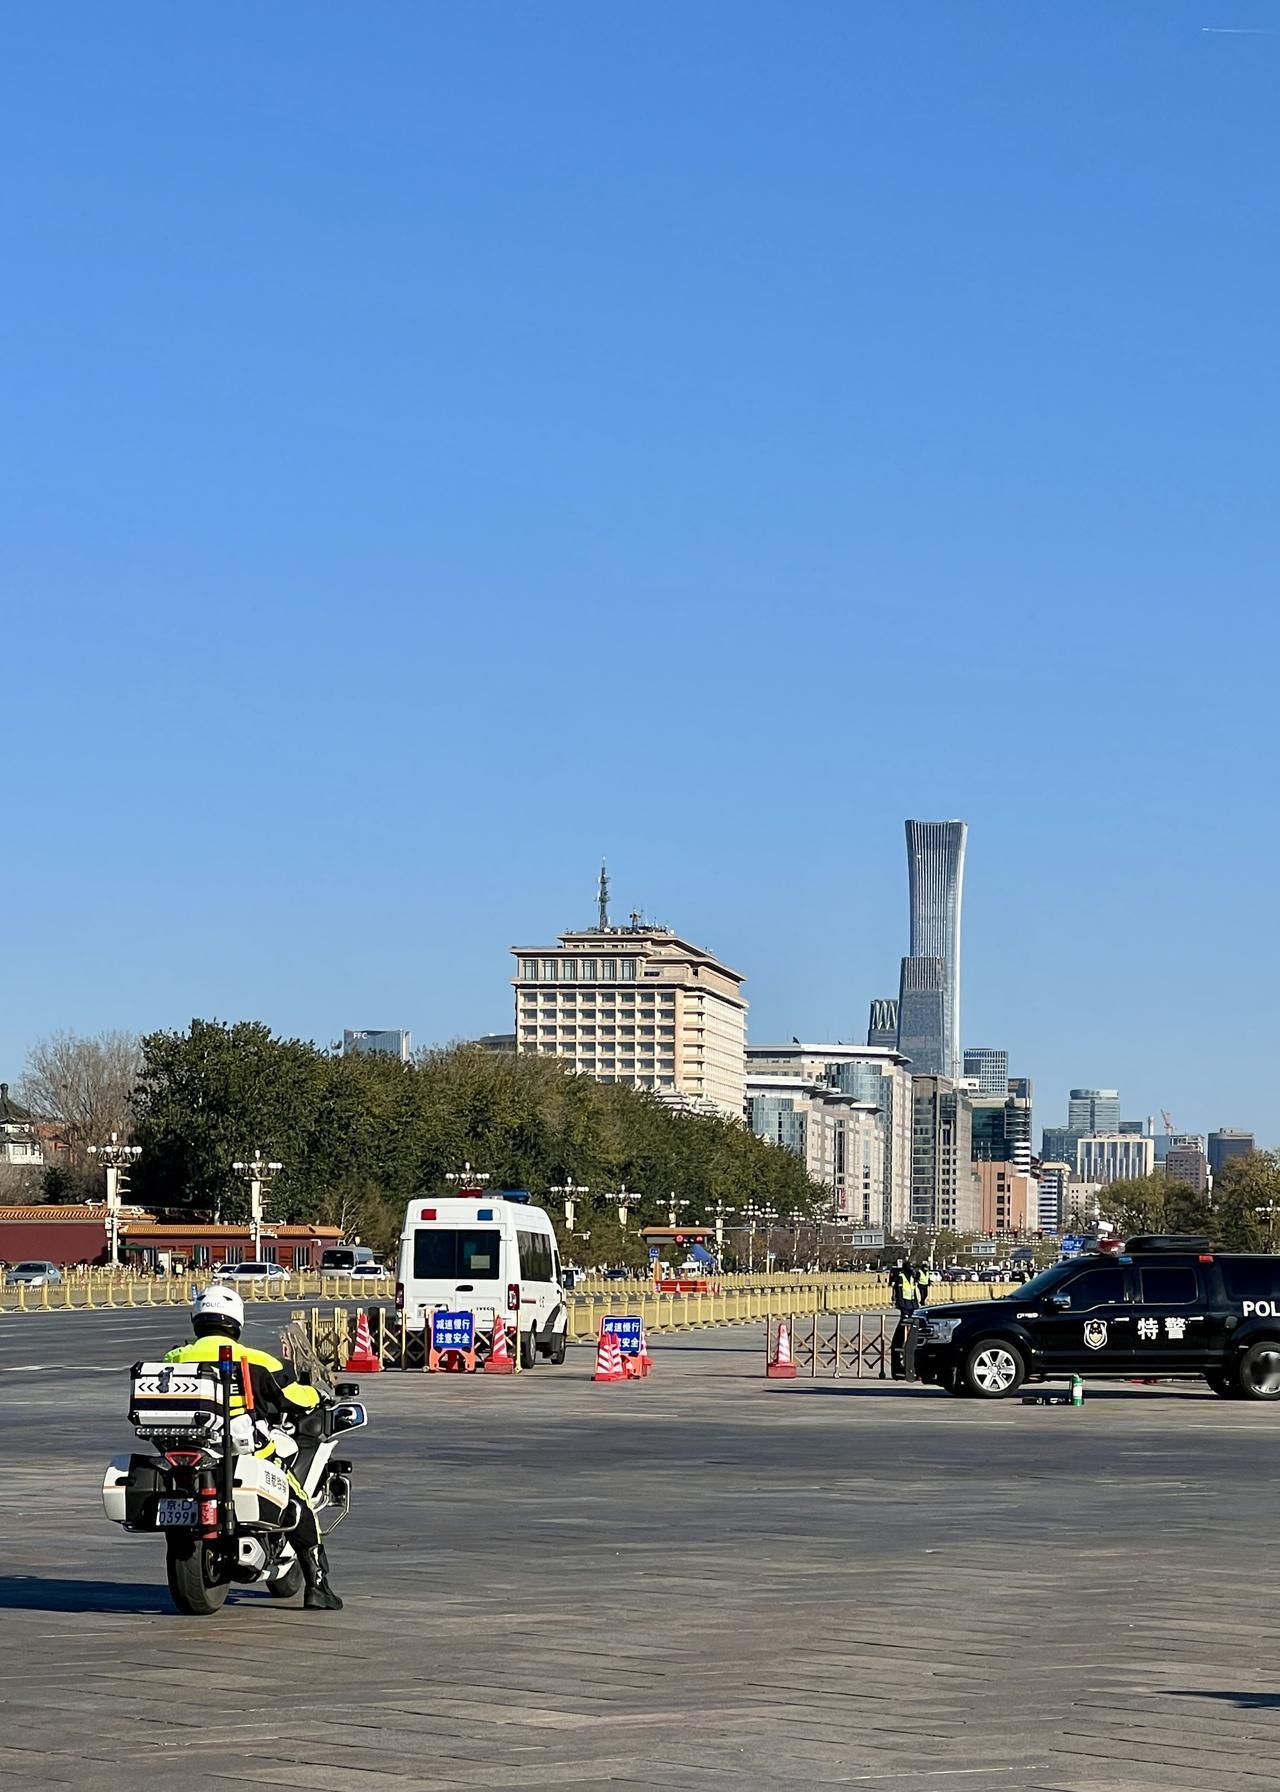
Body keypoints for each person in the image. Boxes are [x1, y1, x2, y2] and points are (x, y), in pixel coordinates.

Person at [164, 1283, 343, 1610]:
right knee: (298, 1502)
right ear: (236, 1321)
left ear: (197, 1319)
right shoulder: (256, 1360)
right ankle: (318, 1586)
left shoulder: (175, 1357)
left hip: (187, 1446)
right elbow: (294, 1398)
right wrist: (319, 1395)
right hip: (241, 1447)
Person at [889, 1260, 921, 1380]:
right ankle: (902, 1338)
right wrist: (900, 1304)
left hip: (912, 1303)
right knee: (904, 1323)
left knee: (913, 1323)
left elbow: (913, 1290)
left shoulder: (912, 1276)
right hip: (904, 1304)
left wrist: (916, 1303)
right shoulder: (901, 1277)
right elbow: (898, 1291)